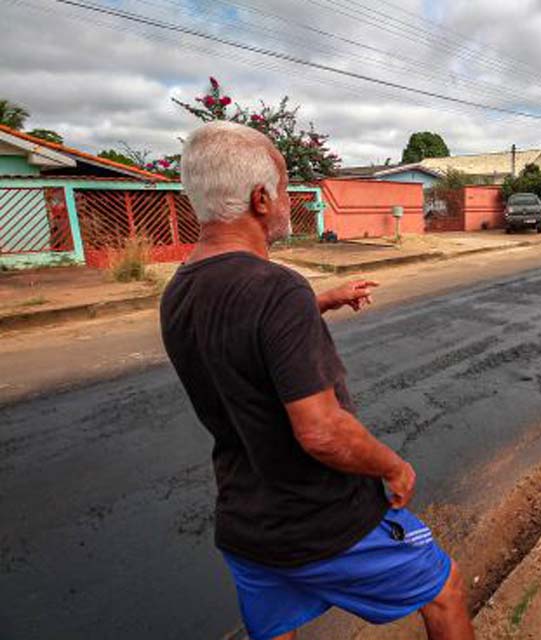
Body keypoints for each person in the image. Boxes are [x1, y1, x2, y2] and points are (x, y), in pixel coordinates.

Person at [160, 121, 474, 640]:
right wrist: (393, 467)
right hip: (321, 521)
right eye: (284, 189)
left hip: (245, 525)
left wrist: (324, 299)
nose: (288, 202)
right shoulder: (275, 289)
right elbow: (322, 431)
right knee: (445, 590)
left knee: (278, 631)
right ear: (261, 199)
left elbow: (243, 332)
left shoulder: (181, 291)